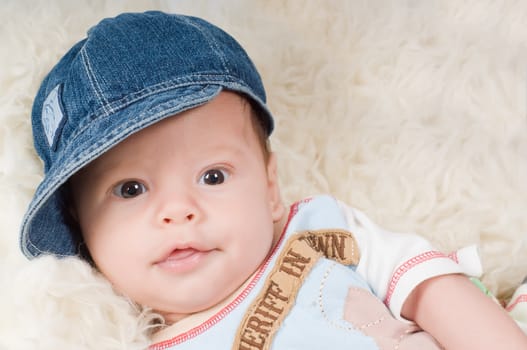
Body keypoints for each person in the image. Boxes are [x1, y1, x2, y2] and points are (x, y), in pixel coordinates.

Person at [19, 11, 527, 350]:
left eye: (213, 175)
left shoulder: (316, 233)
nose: (178, 210)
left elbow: (430, 287)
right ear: (79, 228)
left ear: (269, 188)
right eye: (130, 189)